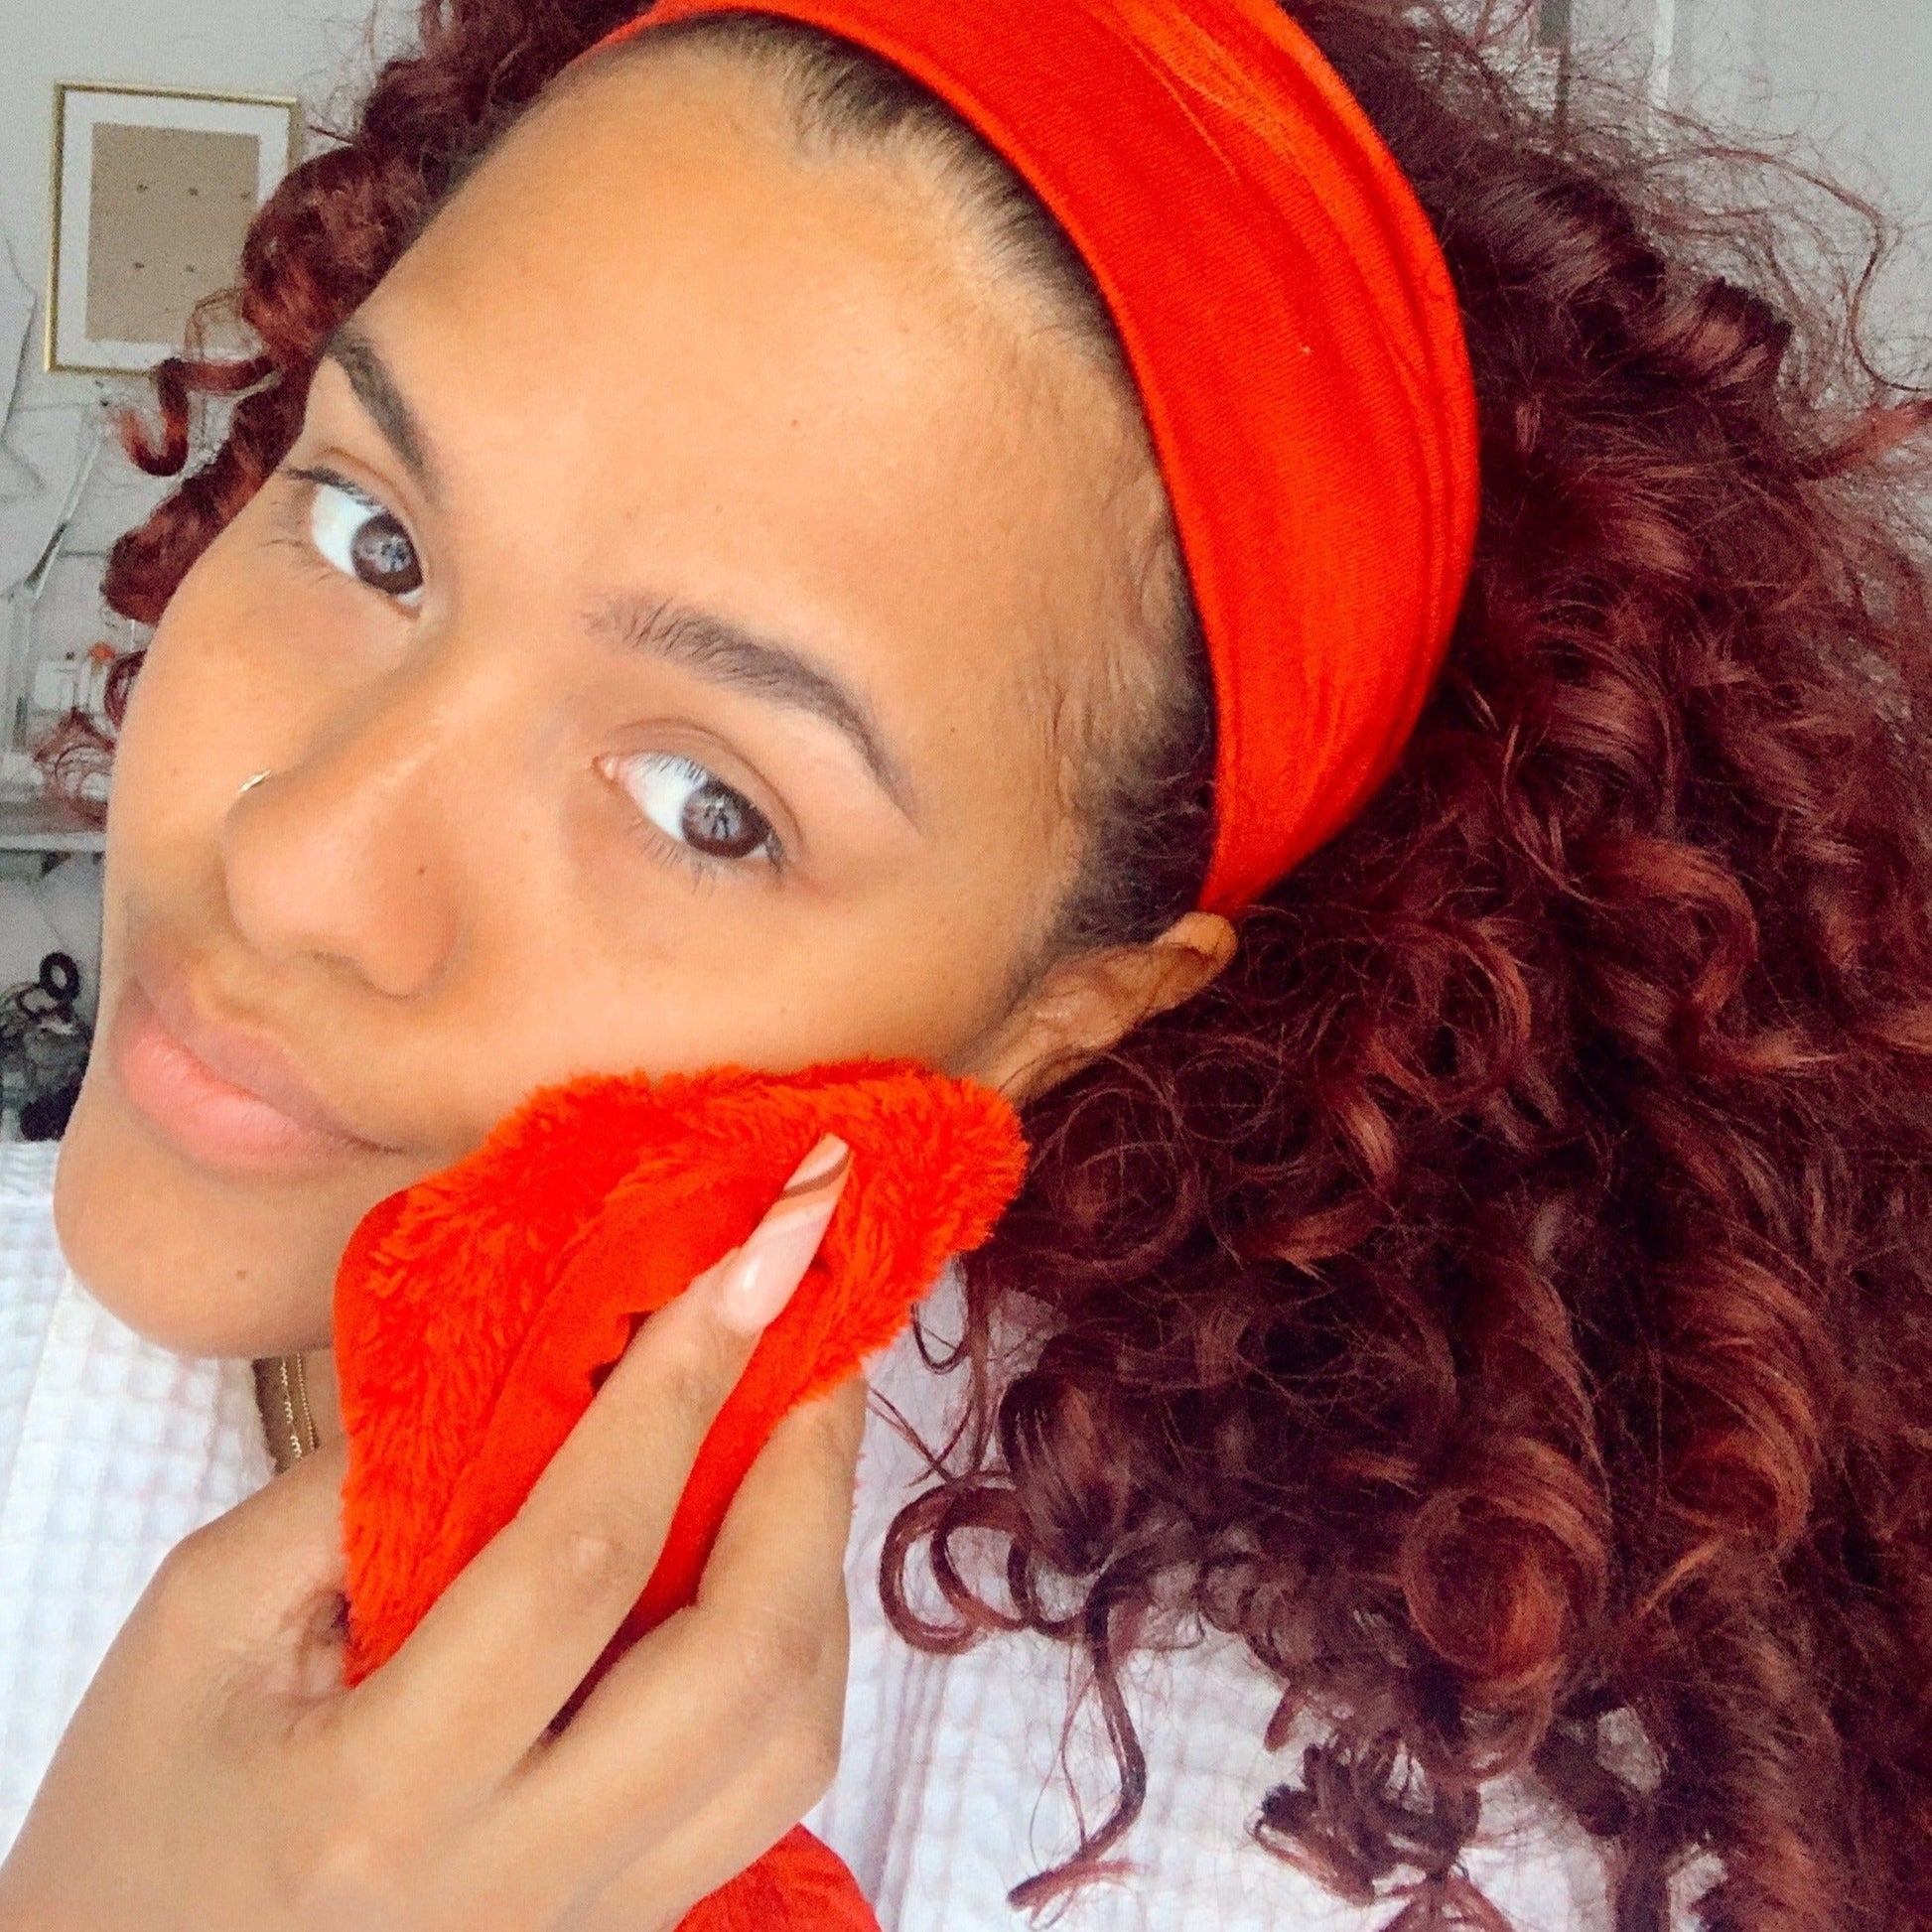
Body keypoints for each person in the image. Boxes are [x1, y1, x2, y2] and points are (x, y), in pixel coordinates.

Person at [1, 0, 1929, 1927]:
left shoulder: (1338, 1838)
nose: (292, 859)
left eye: (703, 801)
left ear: (1053, 1020)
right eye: (371, 537)